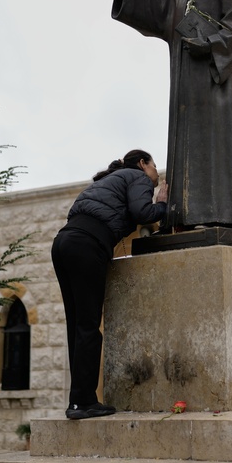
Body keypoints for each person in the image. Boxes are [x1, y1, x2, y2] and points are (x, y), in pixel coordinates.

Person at [95, 0, 232, 231]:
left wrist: (209, 45)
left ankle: (226, 215)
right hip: (183, 97)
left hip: (213, 91)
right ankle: (186, 218)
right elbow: (146, 6)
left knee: (216, 149)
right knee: (185, 151)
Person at [51, 150, 168, 419]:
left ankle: (78, 402)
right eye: (154, 167)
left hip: (63, 243)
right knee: (89, 326)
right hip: (87, 245)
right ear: (142, 164)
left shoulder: (107, 182)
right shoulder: (136, 177)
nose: (156, 174)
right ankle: (83, 402)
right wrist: (161, 205)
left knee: (78, 325)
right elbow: (142, 211)